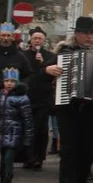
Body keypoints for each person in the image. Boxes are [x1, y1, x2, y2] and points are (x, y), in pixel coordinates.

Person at [51, 16, 93, 183]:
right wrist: (48, 70)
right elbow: (43, 73)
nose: (89, 37)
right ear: (77, 34)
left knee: (86, 154)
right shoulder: (63, 52)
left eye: (91, 33)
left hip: (90, 111)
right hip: (68, 109)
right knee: (68, 153)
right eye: (85, 33)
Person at [0, 23, 30, 180]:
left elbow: (28, 75)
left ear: (13, 37)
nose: (5, 38)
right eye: (3, 35)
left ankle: (6, 164)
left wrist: (20, 88)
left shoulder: (20, 56)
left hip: (12, 103)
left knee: (9, 135)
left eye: (8, 36)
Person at [0, 68, 34, 183]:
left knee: (8, 161)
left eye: (12, 81)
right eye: (6, 80)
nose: (9, 83)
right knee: (2, 162)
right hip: (1, 133)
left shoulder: (22, 98)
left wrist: (28, 138)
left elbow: (27, 119)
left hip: (14, 133)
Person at [22, 26, 57, 170]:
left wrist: (42, 63)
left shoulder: (50, 56)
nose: (37, 41)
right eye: (35, 38)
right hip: (27, 96)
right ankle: (27, 157)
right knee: (27, 128)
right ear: (30, 40)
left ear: (44, 40)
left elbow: (52, 75)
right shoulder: (23, 55)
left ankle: (38, 158)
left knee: (41, 129)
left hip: (43, 98)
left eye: (40, 38)